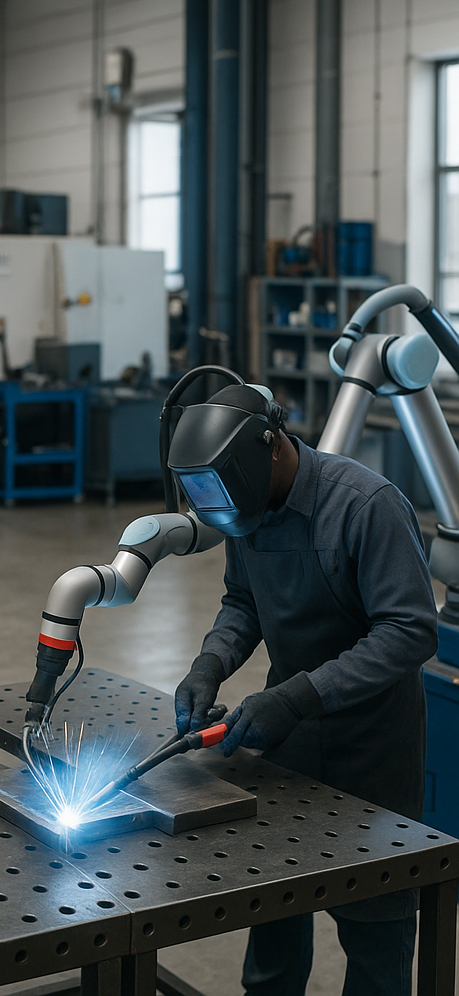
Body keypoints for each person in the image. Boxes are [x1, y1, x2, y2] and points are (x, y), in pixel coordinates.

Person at [168, 381, 437, 996]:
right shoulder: (245, 504)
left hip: (372, 757)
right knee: (275, 928)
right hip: (285, 750)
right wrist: (210, 664)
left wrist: (300, 695)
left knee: (375, 941)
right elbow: (243, 601)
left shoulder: (367, 505)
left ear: (272, 448)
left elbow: (410, 631)